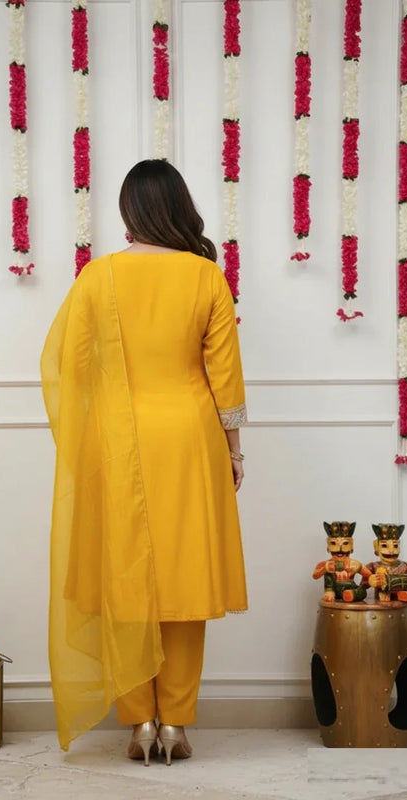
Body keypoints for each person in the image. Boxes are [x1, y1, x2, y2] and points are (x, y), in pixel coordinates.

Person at [40, 159, 248, 764]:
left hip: (118, 443)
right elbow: (226, 381)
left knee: (126, 581)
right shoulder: (206, 276)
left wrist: (90, 434)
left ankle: (138, 725)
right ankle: (177, 725)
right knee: (183, 583)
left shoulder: (98, 276)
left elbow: (69, 368)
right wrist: (234, 452)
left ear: (130, 212)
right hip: (188, 440)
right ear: (179, 208)